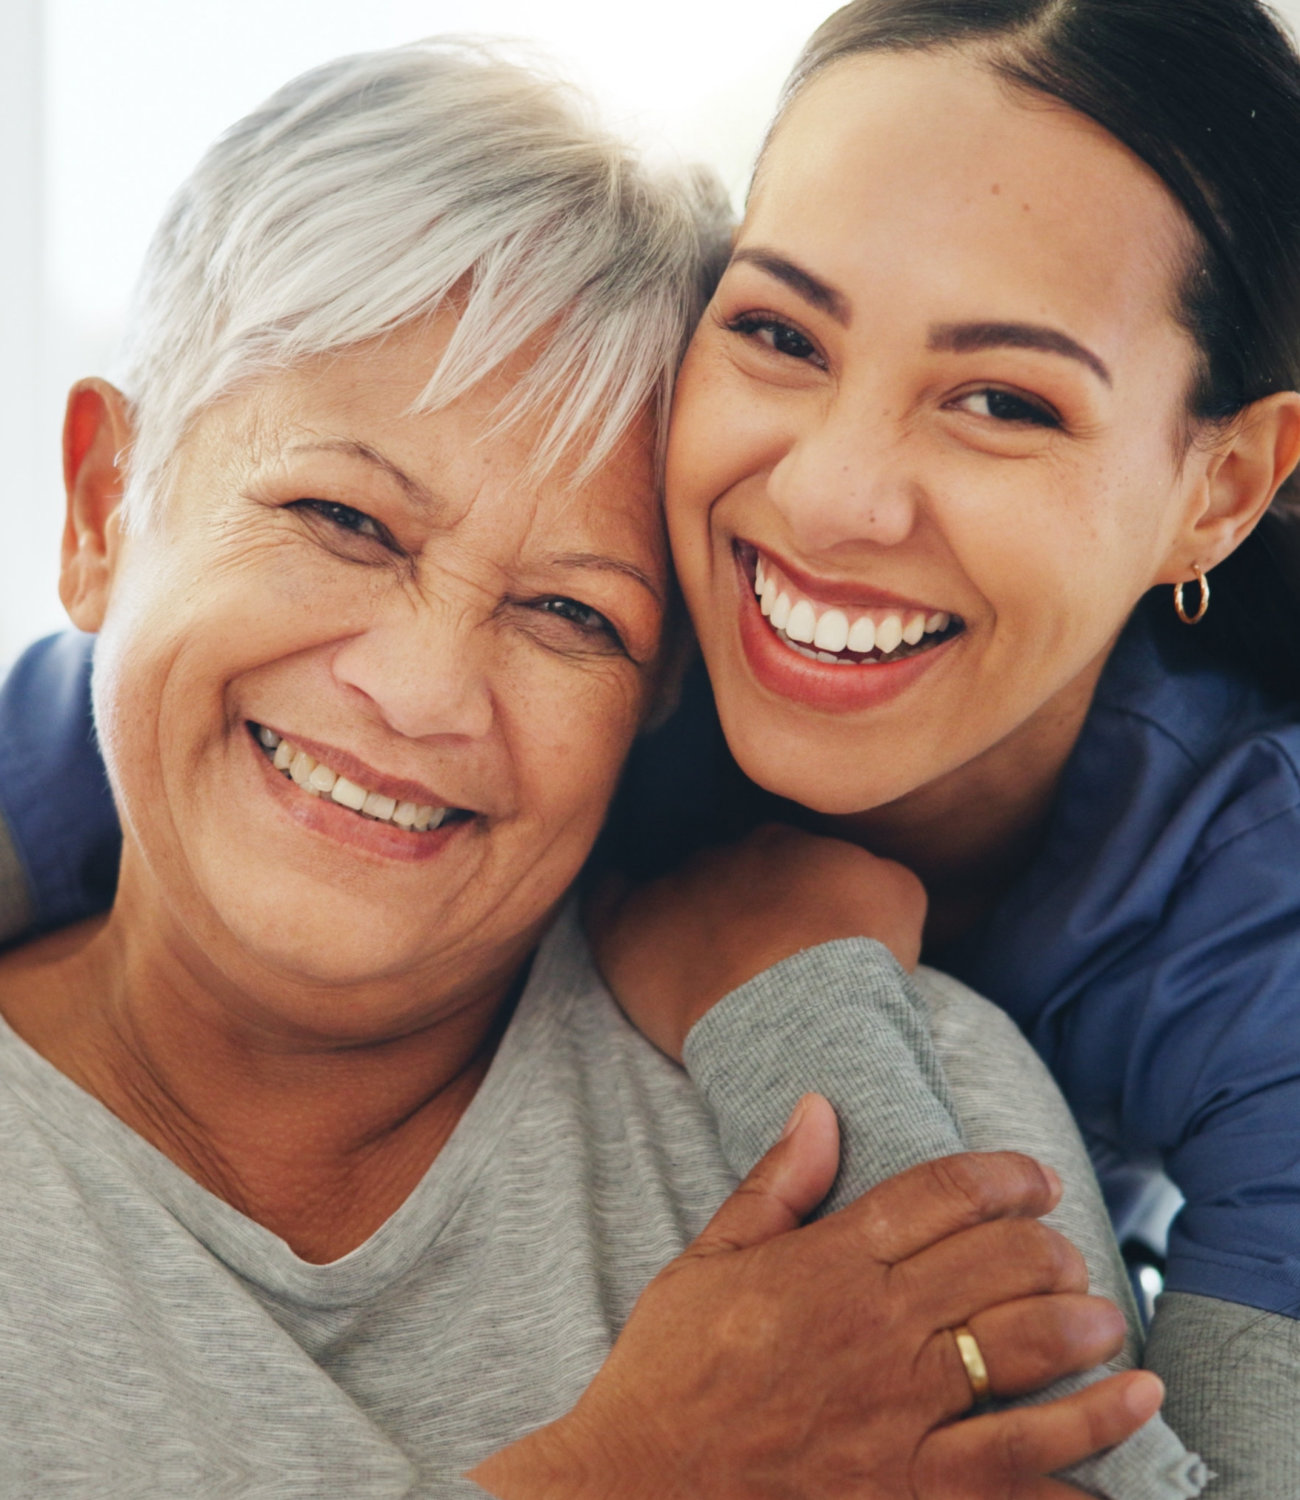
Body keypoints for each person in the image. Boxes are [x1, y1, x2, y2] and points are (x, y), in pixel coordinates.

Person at [0, 38, 1177, 1500]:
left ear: (661, 691)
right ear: (103, 508)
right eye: (344, 520)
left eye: (570, 614)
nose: (424, 693)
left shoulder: (881, 1096)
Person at [592, 0, 1300, 1493]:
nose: (836, 497)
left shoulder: (1268, 928)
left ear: (1221, 487)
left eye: (1002, 400)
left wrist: (799, 1014)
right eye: (779, 332)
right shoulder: (547, 622)